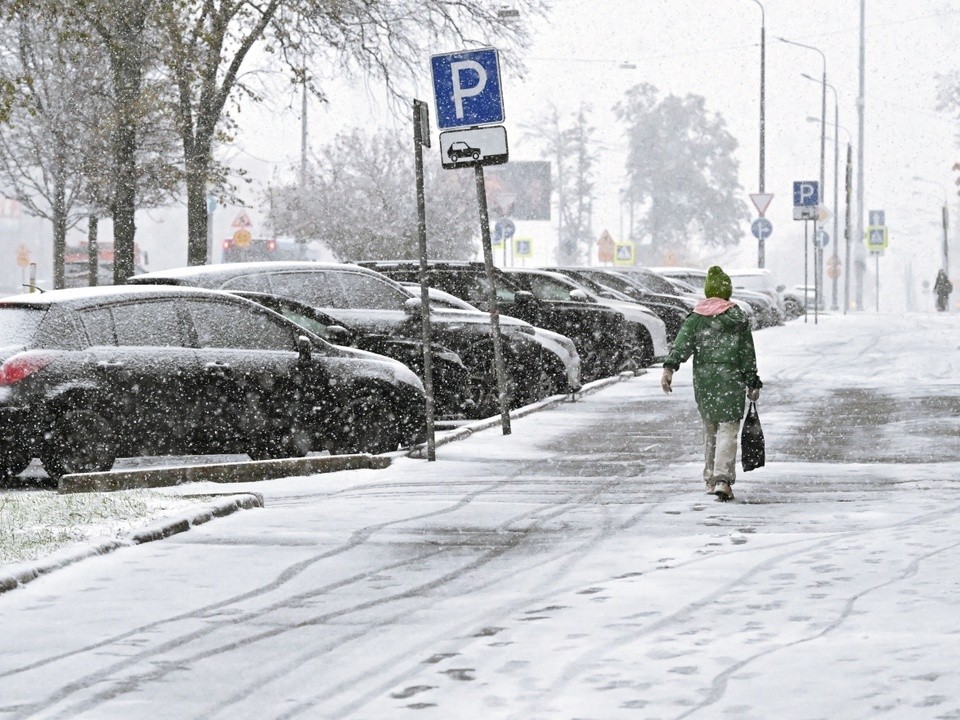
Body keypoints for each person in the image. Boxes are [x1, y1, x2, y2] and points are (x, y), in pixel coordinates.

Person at [660, 266, 762, 502]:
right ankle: (722, 480)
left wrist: (669, 368)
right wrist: (752, 381)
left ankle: (710, 478)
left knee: (710, 430)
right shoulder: (738, 319)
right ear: (727, 292)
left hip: (706, 383)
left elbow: (681, 345)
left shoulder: (697, 318)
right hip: (731, 381)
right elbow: (747, 354)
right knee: (728, 430)